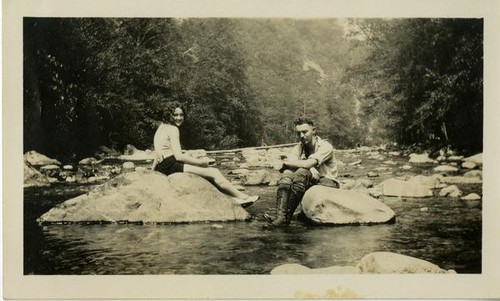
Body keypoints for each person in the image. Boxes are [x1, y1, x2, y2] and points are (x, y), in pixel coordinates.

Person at [152, 101, 259, 207]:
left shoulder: (161, 127)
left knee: (207, 175)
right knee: (214, 172)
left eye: (181, 115)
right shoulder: (173, 129)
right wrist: (200, 163)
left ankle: (233, 198)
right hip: (170, 165)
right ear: (169, 115)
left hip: (162, 166)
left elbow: (157, 153)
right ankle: (243, 197)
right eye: (175, 115)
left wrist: (153, 171)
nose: (179, 118)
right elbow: (179, 156)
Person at [265, 117, 339, 227]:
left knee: (301, 172)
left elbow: (305, 164)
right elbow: (292, 166)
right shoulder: (298, 148)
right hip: (309, 179)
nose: (301, 136)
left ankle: (285, 218)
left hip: (328, 182)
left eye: (305, 132)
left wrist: (286, 163)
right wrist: (308, 168)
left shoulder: (325, 146)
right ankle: (280, 217)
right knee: (287, 174)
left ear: (314, 130)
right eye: (298, 133)